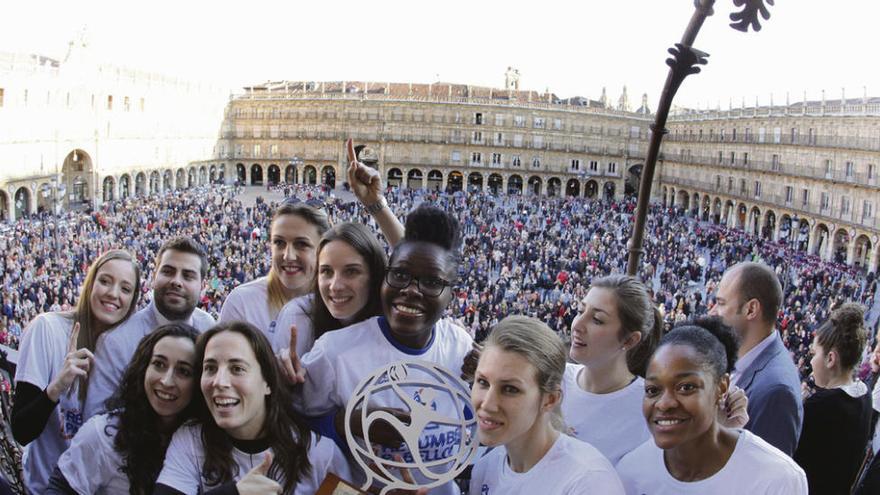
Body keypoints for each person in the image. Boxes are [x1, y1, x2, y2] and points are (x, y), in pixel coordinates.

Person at [293, 204, 472, 495]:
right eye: (400, 275)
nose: (411, 290)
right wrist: (346, 422)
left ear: (452, 293)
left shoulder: (460, 347)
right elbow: (295, 427)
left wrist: (490, 378)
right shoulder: (334, 352)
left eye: (431, 282)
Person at [154, 321, 350, 494]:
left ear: (267, 383)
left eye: (237, 369)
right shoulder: (191, 439)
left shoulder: (320, 454)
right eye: (210, 368)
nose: (219, 382)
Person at [616, 317, 808, 494]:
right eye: (652, 390)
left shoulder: (777, 479)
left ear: (721, 387)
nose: (665, 404)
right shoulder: (631, 473)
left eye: (686, 387)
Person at [12, 250, 141, 493]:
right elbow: (21, 430)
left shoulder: (130, 350)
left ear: (133, 300)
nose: (113, 293)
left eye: (125, 289)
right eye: (105, 281)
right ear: (90, 283)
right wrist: (56, 387)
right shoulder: (47, 329)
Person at [469, 315, 624, 494]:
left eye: (510, 389)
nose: (487, 404)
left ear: (550, 399)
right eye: (482, 382)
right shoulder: (486, 469)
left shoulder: (588, 482)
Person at [46, 323, 200, 494]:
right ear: (143, 368)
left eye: (184, 372)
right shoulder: (103, 435)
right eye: (159, 364)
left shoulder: (203, 443)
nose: (166, 381)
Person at [85, 237, 216, 419]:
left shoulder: (208, 327)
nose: (176, 281)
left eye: (188, 275)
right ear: (154, 276)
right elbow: (96, 416)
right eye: (168, 271)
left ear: (203, 285)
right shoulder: (116, 341)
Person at [560, 274, 662, 464]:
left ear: (630, 340)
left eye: (597, 320)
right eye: (580, 310)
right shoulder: (551, 378)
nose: (577, 325)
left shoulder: (650, 409)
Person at [708, 261, 803, 456]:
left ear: (751, 310)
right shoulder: (739, 356)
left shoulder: (777, 392)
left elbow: (765, 478)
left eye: (721, 303)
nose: (712, 312)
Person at [272, 222, 386, 357]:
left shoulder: (394, 322)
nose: (335, 286)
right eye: (326, 271)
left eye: (351, 271)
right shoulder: (299, 317)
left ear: (374, 275)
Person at [220, 203, 330, 340]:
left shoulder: (337, 304)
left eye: (301, 244)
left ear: (323, 250)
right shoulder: (242, 304)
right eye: (279, 243)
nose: (288, 256)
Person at [794, 303, 872, 494]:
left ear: (830, 358)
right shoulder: (865, 396)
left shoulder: (820, 407)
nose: (811, 361)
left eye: (814, 354)